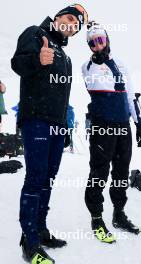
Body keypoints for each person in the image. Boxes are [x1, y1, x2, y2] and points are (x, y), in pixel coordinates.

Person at [11, 4, 88, 264]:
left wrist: (65, 127)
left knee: (49, 178)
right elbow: (17, 64)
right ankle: (29, 241)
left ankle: (41, 230)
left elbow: (63, 97)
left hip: (56, 124)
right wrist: (36, 59)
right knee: (35, 177)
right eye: (69, 18)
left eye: (76, 25)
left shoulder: (65, 57)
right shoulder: (35, 33)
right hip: (36, 119)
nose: (72, 25)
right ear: (57, 18)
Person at [82, 22, 141, 244]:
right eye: (93, 43)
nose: (98, 46)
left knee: (121, 172)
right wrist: (100, 61)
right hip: (102, 127)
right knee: (99, 171)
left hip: (122, 126)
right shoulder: (87, 67)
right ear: (89, 46)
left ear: (107, 39)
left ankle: (119, 213)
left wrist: (138, 124)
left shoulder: (121, 64)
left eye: (101, 40)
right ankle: (96, 218)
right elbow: (95, 83)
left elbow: (128, 96)